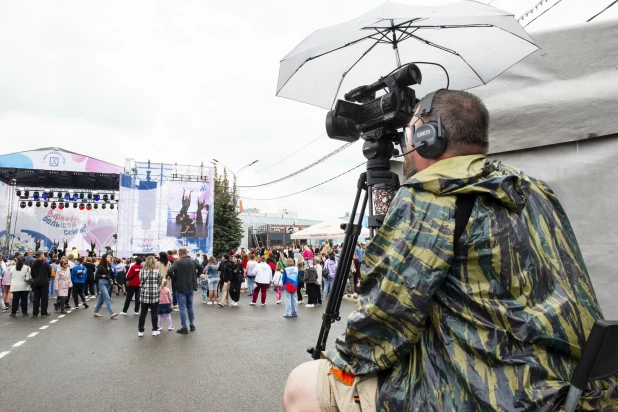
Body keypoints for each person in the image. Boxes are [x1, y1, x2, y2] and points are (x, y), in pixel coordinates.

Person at [283, 90, 618, 411]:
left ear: (429, 138)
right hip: (575, 388)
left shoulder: (431, 196)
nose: (405, 145)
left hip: (494, 396)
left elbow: (381, 327)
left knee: (301, 385)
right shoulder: (535, 191)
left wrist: (342, 358)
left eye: (409, 135)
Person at [167, 247, 202, 334]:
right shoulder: (193, 261)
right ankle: (192, 325)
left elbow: (169, 271)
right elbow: (201, 268)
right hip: (190, 286)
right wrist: (196, 276)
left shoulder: (177, 262)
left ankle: (184, 327)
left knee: (182, 308)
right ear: (186, 253)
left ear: (179, 254)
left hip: (180, 287)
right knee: (190, 306)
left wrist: (175, 278)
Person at [137, 256, 162, 337]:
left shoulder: (141, 271)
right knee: (154, 313)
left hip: (144, 293)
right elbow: (160, 282)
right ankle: (154, 329)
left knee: (143, 313)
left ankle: (141, 330)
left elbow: (140, 280)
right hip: (154, 293)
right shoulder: (157, 271)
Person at [93, 254, 118, 319]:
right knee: (107, 297)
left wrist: (111, 272)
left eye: (110, 257)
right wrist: (103, 276)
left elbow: (111, 275)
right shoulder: (100, 266)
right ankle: (111, 313)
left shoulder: (109, 265)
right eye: (109, 257)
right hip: (102, 282)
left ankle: (96, 312)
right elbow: (96, 275)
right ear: (105, 258)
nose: (110, 258)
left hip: (108, 282)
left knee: (102, 298)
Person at [31, 251, 52, 318]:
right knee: (44, 298)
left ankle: (35, 313)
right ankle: (43, 312)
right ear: (41, 256)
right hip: (44, 282)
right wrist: (47, 278)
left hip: (36, 282)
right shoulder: (45, 263)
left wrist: (35, 279)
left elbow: (32, 274)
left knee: (36, 298)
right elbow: (49, 272)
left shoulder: (33, 264)